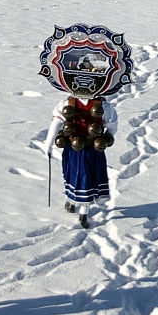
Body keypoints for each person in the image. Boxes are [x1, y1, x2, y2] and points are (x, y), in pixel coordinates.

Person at [46, 95, 118, 228]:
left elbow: (112, 125)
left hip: (91, 150)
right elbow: (57, 122)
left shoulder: (103, 106)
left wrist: (105, 138)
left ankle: (84, 212)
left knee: (87, 179)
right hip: (71, 149)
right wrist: (48, 143)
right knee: (71, 175)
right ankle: (71, 201)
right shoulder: (68, 103)